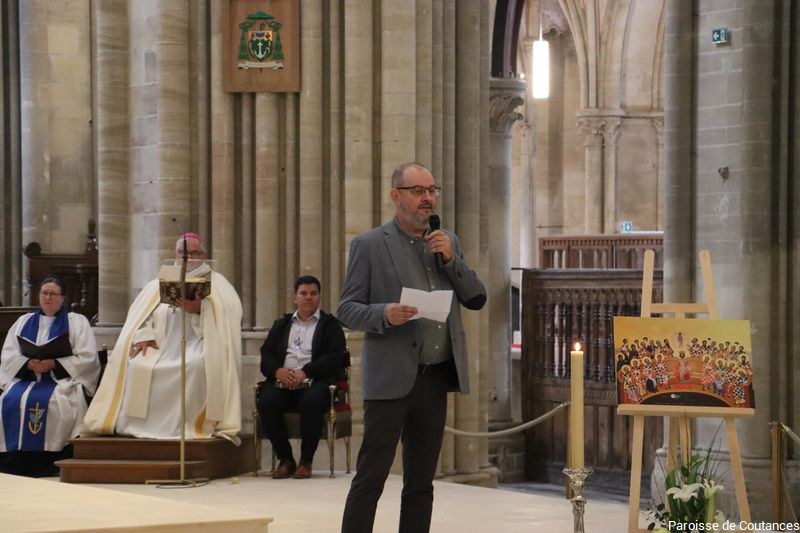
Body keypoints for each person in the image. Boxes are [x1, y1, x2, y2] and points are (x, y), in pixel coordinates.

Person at [339, 162, 486, 532]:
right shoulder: (370, 245)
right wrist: (384, 313)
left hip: (434, 378)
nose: (427, 198)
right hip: (390, 377)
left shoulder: (446, 241)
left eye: (432, 190)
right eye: (418, 191)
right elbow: (347, 309)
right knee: (371, 476)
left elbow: (476, 297)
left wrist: (451, 259)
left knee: (421, 482)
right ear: (396, 195)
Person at [83, 233, 243, 443]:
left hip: (198, 344)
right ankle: (138, 426)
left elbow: (227, 316)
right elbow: (142, 317)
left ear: (203, 255)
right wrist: (145, 336)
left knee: (195, 366)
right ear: (176, 254)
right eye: (183, 253)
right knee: (138, 364)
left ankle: (189, 424)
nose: (188, 258)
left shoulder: (218, 283)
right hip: (161, 346)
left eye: (194, 253)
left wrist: (199, 309)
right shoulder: (158, 283)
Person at [0, 276, 100, 476]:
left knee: (58, 402)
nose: (47, 297)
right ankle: (13, 459)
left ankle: (49, 460)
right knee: (9, 400)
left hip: (60, 380)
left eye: (53, 294)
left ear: (62, 298)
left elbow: (88, 357)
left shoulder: (76, 322)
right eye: (44, 293)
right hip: (27, 378)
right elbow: (9, 354)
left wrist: (55, 363)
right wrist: (27, 363)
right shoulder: (23, 321)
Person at [257, 275, 346, 479]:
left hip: (314, 380)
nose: (308, 297)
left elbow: (334, 357)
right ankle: (286, 459)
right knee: (266, 401)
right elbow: (266, 354)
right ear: (295, 297)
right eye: (303, 293)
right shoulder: (281, 324)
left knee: (312, 402)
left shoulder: (330, 325)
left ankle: (306, 461)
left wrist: (306, 372)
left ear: (319, 297)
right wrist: (278, 371)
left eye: (313, 293)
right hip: (283, 381)